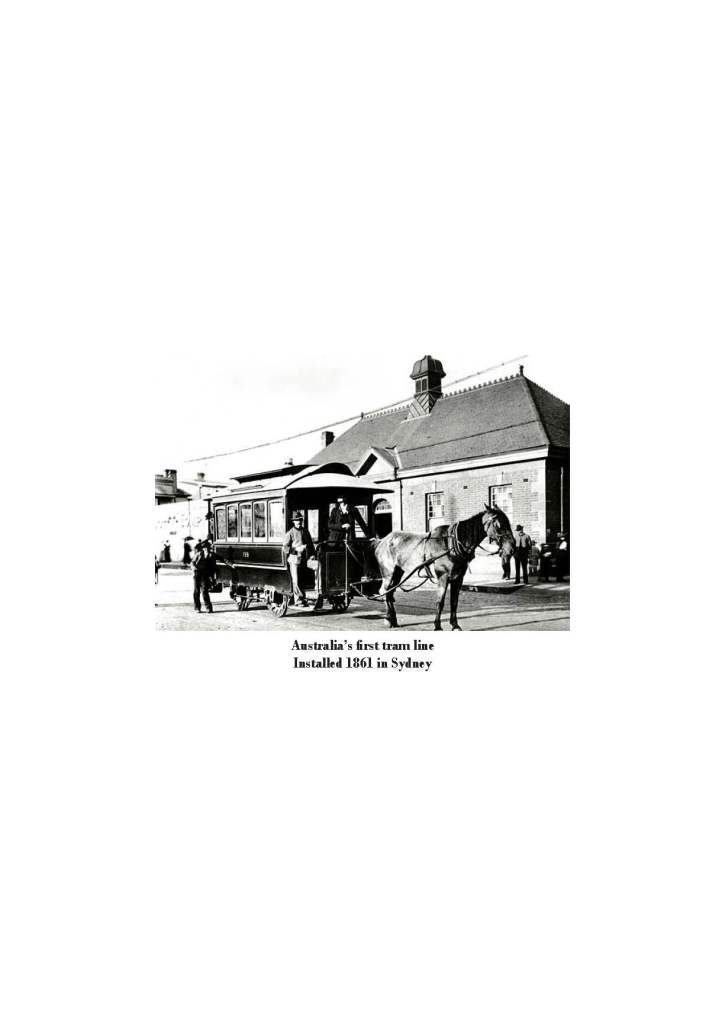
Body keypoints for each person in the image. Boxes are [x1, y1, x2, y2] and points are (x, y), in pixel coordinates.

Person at [283, 512, 315, 607]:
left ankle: (303, 598)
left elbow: (310, 545)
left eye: (300, 520)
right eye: (297, 520)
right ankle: (298, 600)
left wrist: (312, 554)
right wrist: (296, 549)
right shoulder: (290, 533)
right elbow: (285, 548)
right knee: (296, 580)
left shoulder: (305, 531)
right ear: (293, 522)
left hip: (304, 559)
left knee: (302, 579)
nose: (299, 522)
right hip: (294, 559)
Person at [192, 540, 217, 613]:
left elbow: (222, 559)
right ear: (203, 549)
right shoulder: (199, 554)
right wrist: (194, 568)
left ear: (209, 548)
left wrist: (231, 564)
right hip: (197, 574)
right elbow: (192, 562)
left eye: (207, 547)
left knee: (204, 591)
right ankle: (197, 607)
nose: (206, 549)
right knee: (196, 591)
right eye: (205, 548)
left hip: (205, 575)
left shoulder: (212, 555)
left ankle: (208, 608)